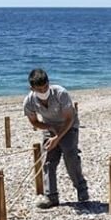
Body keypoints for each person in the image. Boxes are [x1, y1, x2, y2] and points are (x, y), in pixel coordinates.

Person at [22, 68, 89, 208]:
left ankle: (81, 189)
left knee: (70, 157)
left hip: (69, 126)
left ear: (49, 83)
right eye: (39, 89)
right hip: (49, 127)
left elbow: (69, 118)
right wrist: (50, 129)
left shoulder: (60, 93)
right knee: (48, 161)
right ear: (32, 88)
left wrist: (57, 138)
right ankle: (51, 196)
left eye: (45, 87)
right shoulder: (29, 101)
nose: (43, 91)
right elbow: (34, 122)